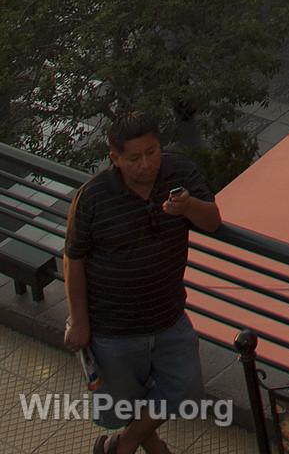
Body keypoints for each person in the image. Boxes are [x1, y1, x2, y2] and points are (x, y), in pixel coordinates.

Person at [63, 111, 221, 454]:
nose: (146, 164)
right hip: (113, 326)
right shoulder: (92, 196)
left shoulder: (179, 171)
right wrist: (79, 322)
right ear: (114, 158)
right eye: (134, 158)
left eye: (152, 152)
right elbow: (74, 258)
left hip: (168, 314)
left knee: (185, 387)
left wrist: (188, 206)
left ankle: (123, 444)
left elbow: (212, 221)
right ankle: (148, 445)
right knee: (125, 401)